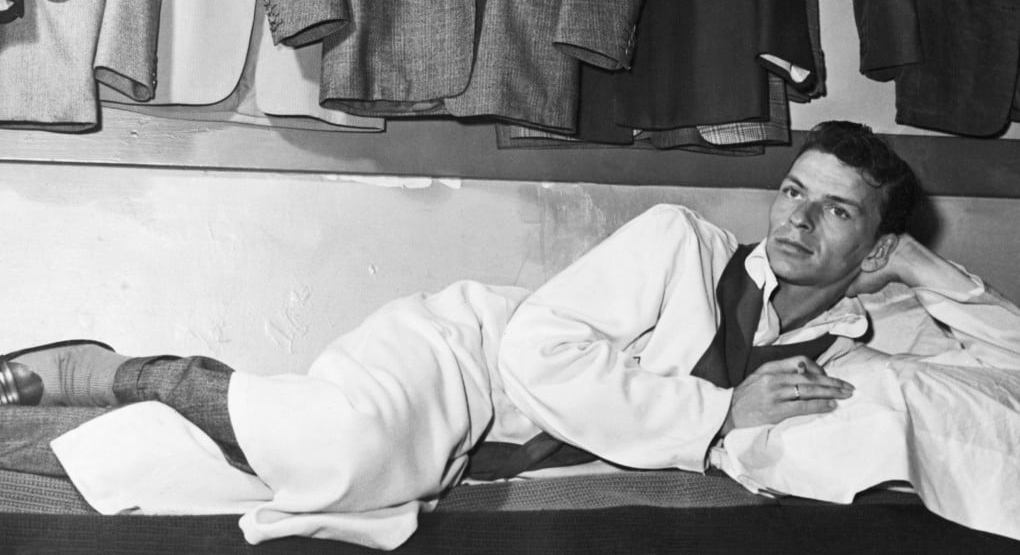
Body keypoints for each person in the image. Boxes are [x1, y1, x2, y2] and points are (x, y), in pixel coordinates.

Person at [0, 120, 1016, 548]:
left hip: (500, 448)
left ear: (873, 244)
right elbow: (539, 351)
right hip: (469, 358)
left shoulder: (877, 326)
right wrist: (714, 418)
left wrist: (926, 266)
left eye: (835, 211)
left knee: (254, 477)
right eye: (791, 190)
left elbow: (1009, 364)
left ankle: (161, 412)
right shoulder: (679, 240)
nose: (793, 219)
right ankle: (123, 366)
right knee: (338, 448)